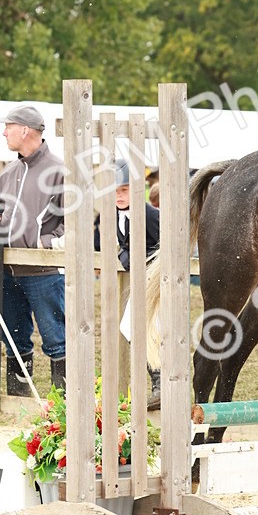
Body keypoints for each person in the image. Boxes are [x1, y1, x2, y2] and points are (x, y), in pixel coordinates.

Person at [0, 105, 66, 394]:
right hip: (7, 269)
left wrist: (45, 243)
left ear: (25, 130)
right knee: (13, 338)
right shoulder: (7, 173)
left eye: (8, 126)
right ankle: (17, 399)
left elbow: (75, 222)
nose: (4, 132)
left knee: (56, 338)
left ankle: (63, 407)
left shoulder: (59, 171)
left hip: (44, 271)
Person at [94, 159, 162, 408]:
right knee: (130, 327)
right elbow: (122, 244)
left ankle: (160, 383)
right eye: (114, 191)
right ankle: (156, 380)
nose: (119, 196)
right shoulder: (110, 215)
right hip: (139, 281)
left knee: (146, 328)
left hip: (156, 281)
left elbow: (162, 245)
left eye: (123, 191)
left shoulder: (150, 215)